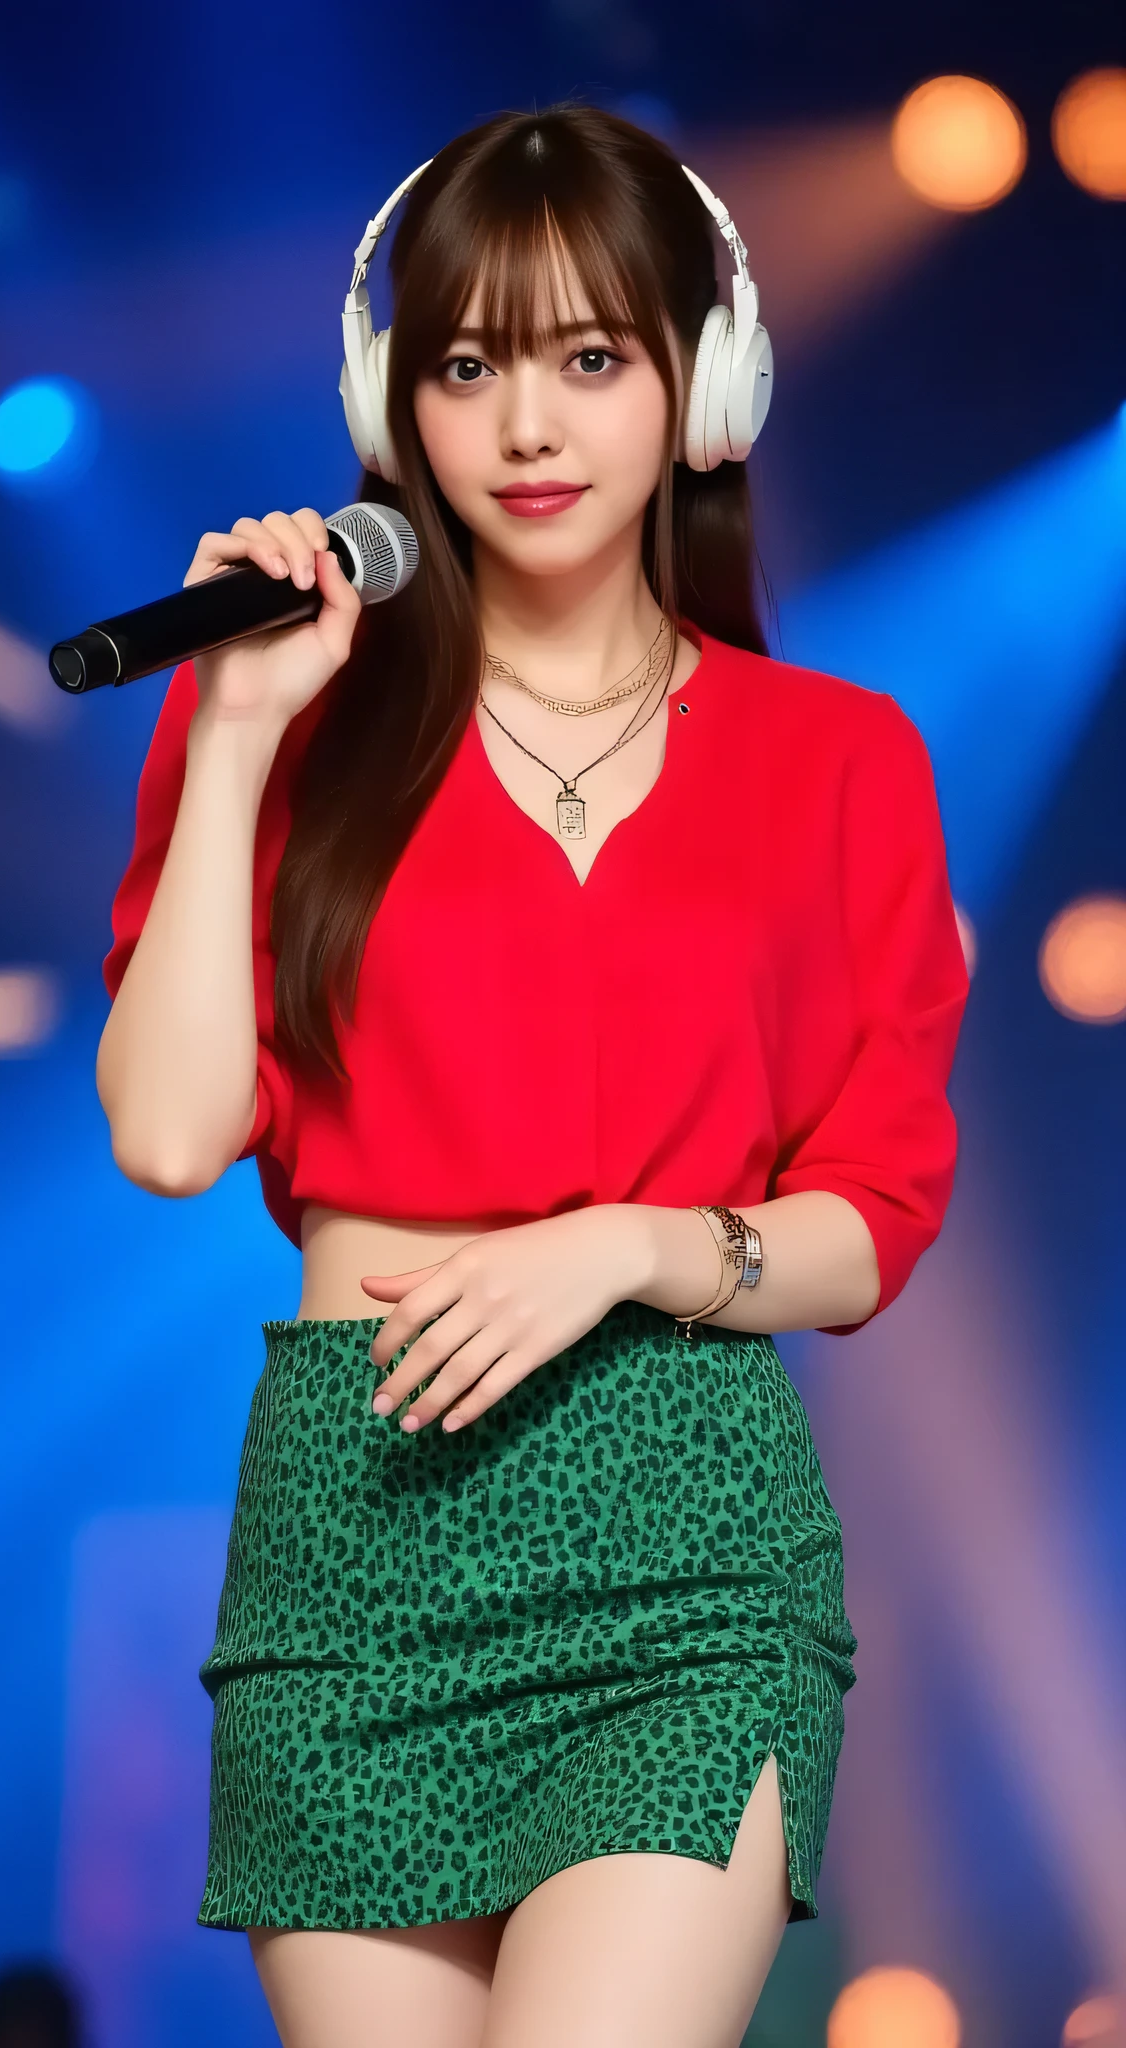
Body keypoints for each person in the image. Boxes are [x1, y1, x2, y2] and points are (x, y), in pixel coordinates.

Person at [97, 104, 969, 2048]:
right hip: (355, 1529)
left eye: (589, 358)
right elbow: (165, 1134)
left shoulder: (840, 758)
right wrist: (235, 734)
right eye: (469, 367)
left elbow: (871, 1219)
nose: (526, 427)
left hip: (679, 1541)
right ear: (390, 402)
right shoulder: (280, 725)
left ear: (703, 383)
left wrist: (631, 1247)